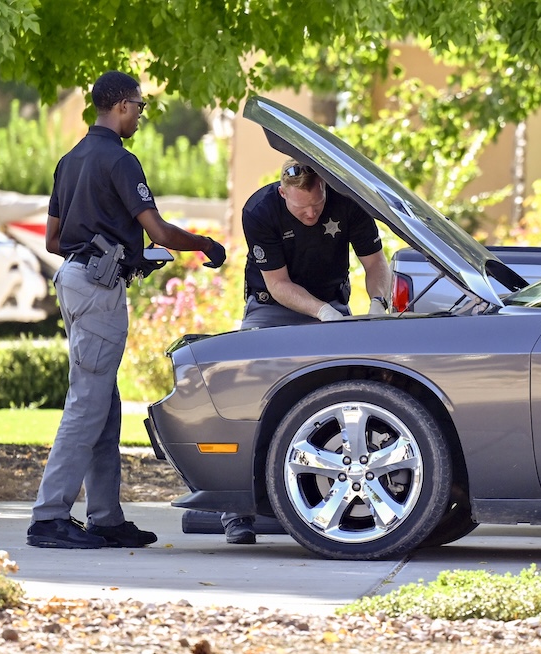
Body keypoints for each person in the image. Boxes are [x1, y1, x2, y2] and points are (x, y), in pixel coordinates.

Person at [27, 70, 227, 549]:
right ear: (119, 105)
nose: (141, 114)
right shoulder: (120, 160)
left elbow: (54, 240)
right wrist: (203, 244)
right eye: (139, 106)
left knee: (104, 404)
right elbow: (158, 231)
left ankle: (106, 518)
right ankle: (49, 517)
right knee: (86, 404)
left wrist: (122, 255)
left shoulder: (70, 159)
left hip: (75, 281)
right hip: (98, 291)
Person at [220, 157, 392, 544]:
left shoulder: (348, 202)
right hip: (272, 306)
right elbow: (278, 285)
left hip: (333, 302)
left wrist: (378, 305)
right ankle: (237, 512)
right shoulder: (260, 210)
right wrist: (323, 313)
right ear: (283, 194)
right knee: (249, 393)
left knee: (351, 395)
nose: (311, 213)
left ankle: (320, 498)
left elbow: (375, 262)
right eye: (301, 209)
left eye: (317, 204)